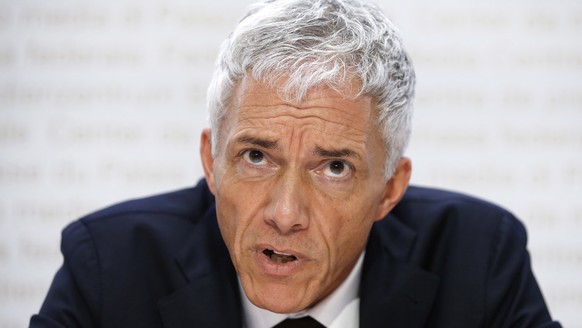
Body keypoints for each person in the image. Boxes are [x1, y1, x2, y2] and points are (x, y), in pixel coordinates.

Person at [30, 0, 561, 327]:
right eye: (257, 156)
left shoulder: (479, 259)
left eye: (334, 168)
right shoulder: (108, 267)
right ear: (211, 163)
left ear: (390, 189)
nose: (285, 215)